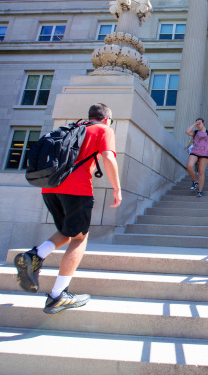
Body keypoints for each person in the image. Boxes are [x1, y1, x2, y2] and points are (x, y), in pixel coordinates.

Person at [14, 103, 122, 314]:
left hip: (51, 188)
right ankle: (58, 295)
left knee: (67, 231)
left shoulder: (76, 128)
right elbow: (108, 157)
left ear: (90, 116)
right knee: (80, 238)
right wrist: (117, 188)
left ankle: (35, 255)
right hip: (77, 190)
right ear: (107, 119)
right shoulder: (104, 129)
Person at [186, 118, 208, 197]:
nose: (198, 125)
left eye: (199, 123)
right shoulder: (195, 132)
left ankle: (200, 191)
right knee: (189, 166)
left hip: (205, 153)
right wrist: (194, 124)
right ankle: (195, 181)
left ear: (203, 123)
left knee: (201, 171)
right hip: (195, 151)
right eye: (197, 124)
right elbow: (187, 131)